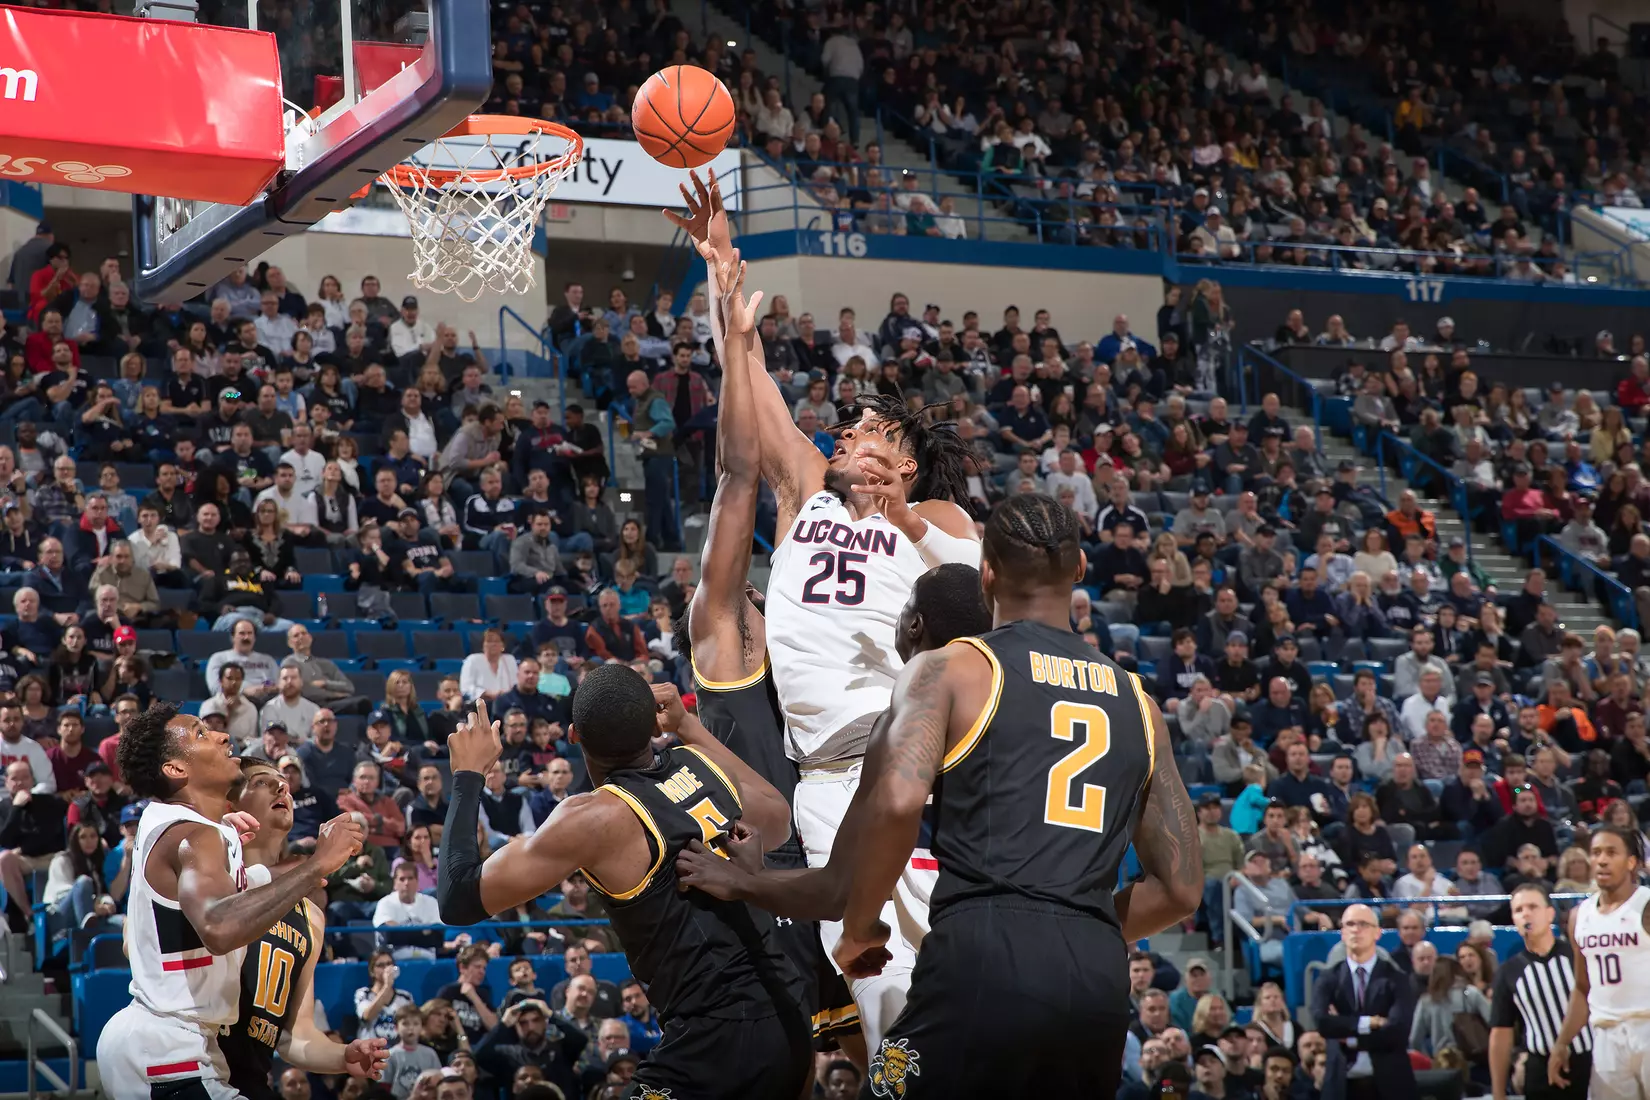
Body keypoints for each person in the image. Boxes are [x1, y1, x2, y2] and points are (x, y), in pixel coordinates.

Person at [681, 493, 1201, 1097]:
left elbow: (899, 806)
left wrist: (859, 928)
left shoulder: (949, 671)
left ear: (988, 574)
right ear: (1081, 570)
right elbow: (1182, 889)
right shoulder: (1139, 702)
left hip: (985, 951)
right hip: (1097, 982)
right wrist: (1077, 927)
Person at [669, 177, 981, 1049]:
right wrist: (722, 262)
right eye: (845, 435)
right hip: (818, 775)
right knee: (872, 991)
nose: (848, 442)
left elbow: (974, 584)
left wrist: (907, 519)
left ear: (910, 461)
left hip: (907, 758)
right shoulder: (806, 488)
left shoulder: (942, 522)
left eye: (870, 435)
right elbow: (750, 371)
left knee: (935, 975)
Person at [436, 678, 811, 1100]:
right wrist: (688, 726)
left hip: (717, 1035)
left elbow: (456, 898)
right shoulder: (701, 764)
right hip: (790, 1011)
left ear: (574, 735)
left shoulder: (593, 818)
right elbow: (779, 818)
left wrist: (468, 776)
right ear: (655, 727)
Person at [674, 254, 861, 1056]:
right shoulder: (724, 637)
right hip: (766, 872)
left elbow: (793, 470)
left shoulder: (800, 640)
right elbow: (742, 470)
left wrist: (738, 331)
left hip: (833, 852)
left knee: (880, 1052)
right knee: (787, 1064)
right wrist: (726, 326)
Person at [95, 702, 365, 1100]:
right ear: (176, 768)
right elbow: (219, 928)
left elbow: (249, 881)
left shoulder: (195, 830)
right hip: (171, 1045)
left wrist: (313, 863)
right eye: (201, 733)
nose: (222, 735)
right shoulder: (194, 836)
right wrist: (316, 866)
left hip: (167, 1042)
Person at [219, 758, 389, 1100]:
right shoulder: (212, 873)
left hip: (251, 1080)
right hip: (195, 1063)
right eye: (263, 782)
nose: (283, 788)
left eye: (284, 783)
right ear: (230, 804)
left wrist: (342, 1056)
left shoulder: (310, 915)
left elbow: (295, 1034)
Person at [1550, 825, 1650, 1100]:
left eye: (1611, 852)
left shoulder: (1646, 904)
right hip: (1607, 1036)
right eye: (1595, 853)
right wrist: (1562, 1042)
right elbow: (1583, 988)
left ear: (1631, 862)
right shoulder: (1578, 917)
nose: (1602, 860)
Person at [1490, 883, 1592, 1100]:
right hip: (1540, 1070)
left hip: (1590, 1063)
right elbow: (1501, 1033)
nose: (1526, 914)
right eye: (1518, 910)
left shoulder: (1578, 956)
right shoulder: (1508, 972)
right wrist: (1498, 1091)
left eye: (1533, 907)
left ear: (1550, 914)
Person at [1311, 903, 1417, 1100]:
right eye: (1349, 924)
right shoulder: (1328, 978)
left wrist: (1348, 1035)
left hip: (1390, 1084)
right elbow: (1321, 1022)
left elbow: (1398, 1030)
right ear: (1342, 932)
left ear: (1377, 933)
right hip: (1341, 1085)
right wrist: (1369, 1022)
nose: (1355, 929)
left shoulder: (1397, 978)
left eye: (1363, 924)